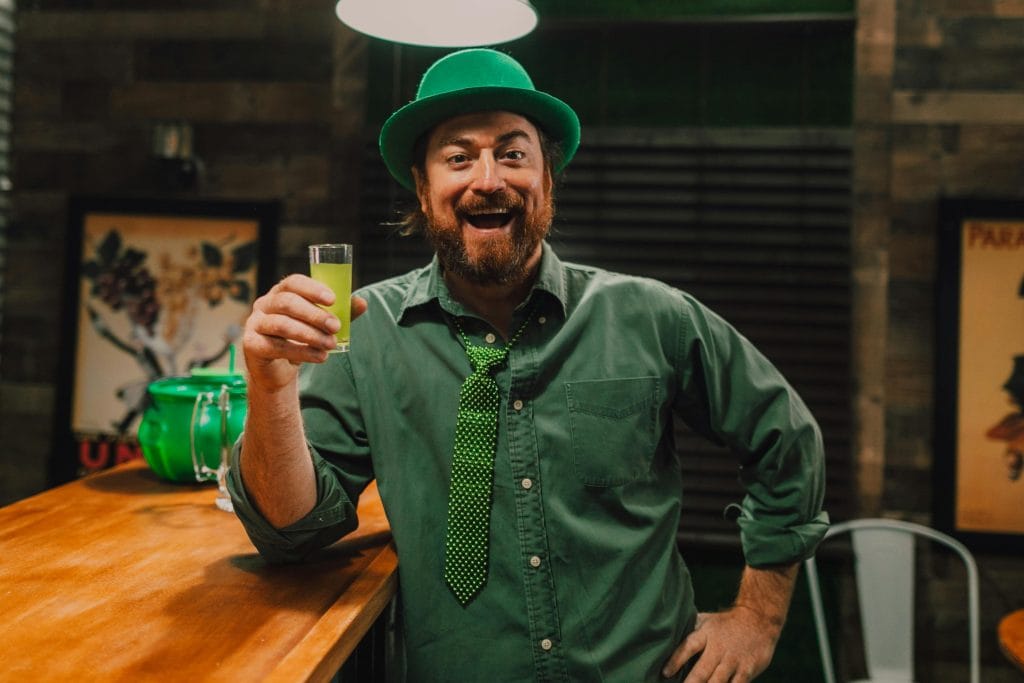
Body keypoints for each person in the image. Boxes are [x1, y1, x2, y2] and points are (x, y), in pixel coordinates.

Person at [229, 48, 828, 682]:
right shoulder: (365, 333)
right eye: (458, 157)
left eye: (513, 153)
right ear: (422, 186)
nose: (488, 178)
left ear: (548, 176)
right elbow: (290, 531)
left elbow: (787, 441)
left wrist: (756, 620)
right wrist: (269, 387)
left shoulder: (652, 316)